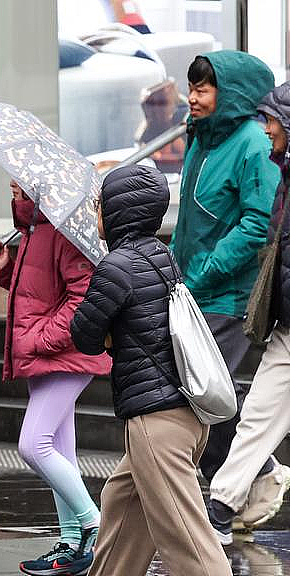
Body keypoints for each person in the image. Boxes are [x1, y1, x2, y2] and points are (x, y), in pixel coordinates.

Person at [71, 164, 231, 576]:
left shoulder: (116, 267)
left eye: (100, 204)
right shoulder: (163, 256)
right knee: (122, 508)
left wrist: (107, 331)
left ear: (120, 209)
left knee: (191, 547)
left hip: (155, 423)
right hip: (185, 417)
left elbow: (83, 335)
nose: (96, 211)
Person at [169, 51, 281, 527]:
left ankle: (226, 490)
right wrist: (173, 272)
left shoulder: (254, 143)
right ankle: (262, 472)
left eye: (203, 89)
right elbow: (188, 221)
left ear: (228, 93)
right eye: (191, 88)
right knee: (207, 393)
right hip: (192, 287)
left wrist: (201, 274)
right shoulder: (200, 139)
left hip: (231, 296)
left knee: (202, 393)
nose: (192, 97)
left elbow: (258, 226)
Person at [0, 180, 111, 574]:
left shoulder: (62, 229)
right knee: (61, 451)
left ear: (42, 186)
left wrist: (39, 337)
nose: (11, 183)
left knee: (33, 445)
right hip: (44, 356)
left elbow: (84, 295)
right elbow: (40, 293)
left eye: (20, 181)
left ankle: (96, 525)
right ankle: (72, 543)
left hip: (63, 355)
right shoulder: (35, 229)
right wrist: (4, 270)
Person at [206, 80, 290, 544]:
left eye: (273, 120)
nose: (267, 128)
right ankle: (221, 505)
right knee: (257, 412)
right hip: (287, 326)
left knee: (259, 412)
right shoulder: (284, 176)